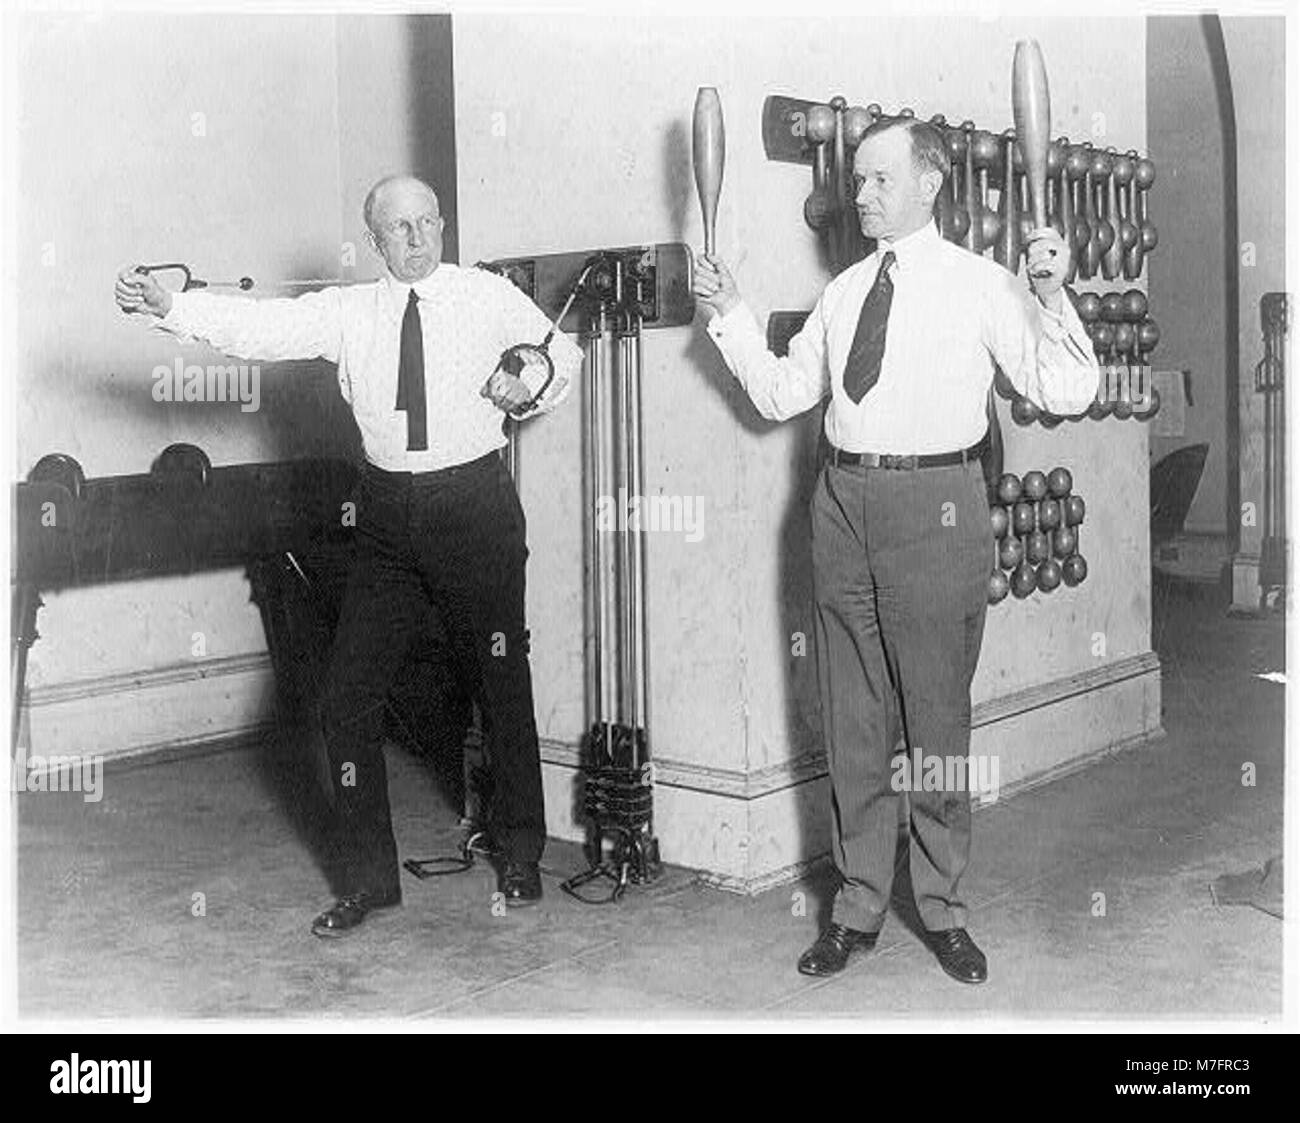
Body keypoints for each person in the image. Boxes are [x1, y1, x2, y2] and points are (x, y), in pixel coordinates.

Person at [115, 175, 583, 936]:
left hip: (475, 507)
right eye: (398, 228)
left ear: (442, 225)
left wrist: (528, 375)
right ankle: (369, 879)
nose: (418, 238)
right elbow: (259, 329)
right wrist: (175, 309)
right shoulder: (348, 312)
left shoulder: (486, 297)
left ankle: (522, 850)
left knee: (500, 675)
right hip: (387, 517)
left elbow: (562, 357)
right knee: (346, 696)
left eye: (428, 222)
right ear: (375, 239)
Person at [692, 119, 1098, 984]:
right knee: (854, 720)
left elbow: (1068, 385)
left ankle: (944, 907)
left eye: (878, 179)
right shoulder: (843, 293)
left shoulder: (986, 285)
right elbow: (779, 395)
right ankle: (859, 905)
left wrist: (1056, 295)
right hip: (840, 500)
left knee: (937, 721)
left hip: (937, 504)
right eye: (859, 180)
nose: (861, 194)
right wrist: (728, 311)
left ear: (929, 184)